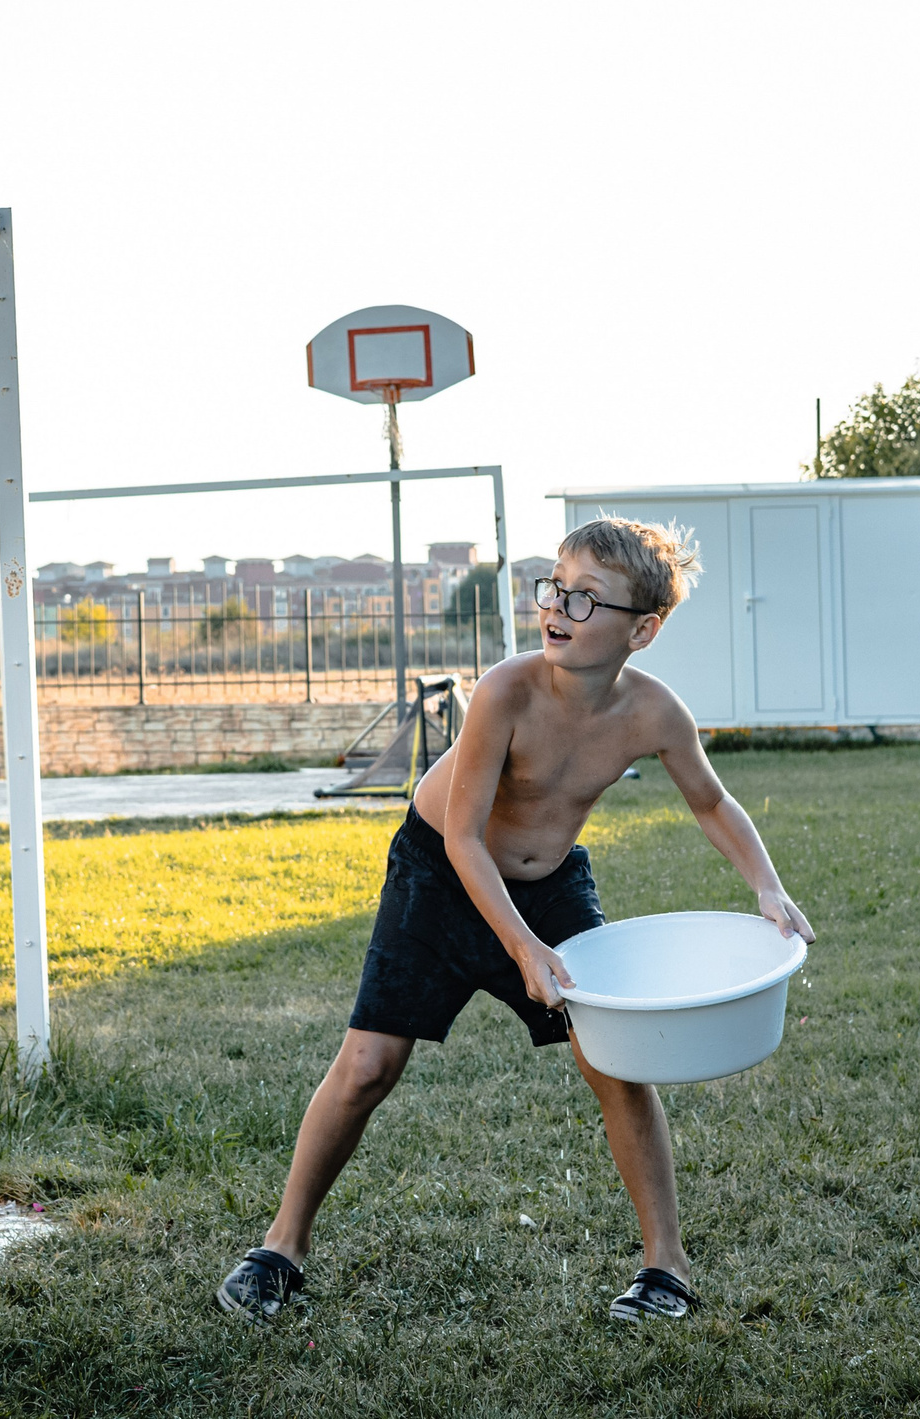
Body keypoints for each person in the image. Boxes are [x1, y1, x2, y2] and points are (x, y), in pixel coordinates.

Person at [216, 515, 814, 1325]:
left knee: (614, 1059)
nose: (559, 608)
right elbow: (463, 835)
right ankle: (279, 1248)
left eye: (588, 598)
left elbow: (711, 800)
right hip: (439, 872)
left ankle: (664, 1270)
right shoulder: (506, 690)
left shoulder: (654, 713)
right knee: (367, 1066)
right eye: (556, 587)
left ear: (644, 628)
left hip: (550, 885)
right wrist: (523, 948)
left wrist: (767, 888)